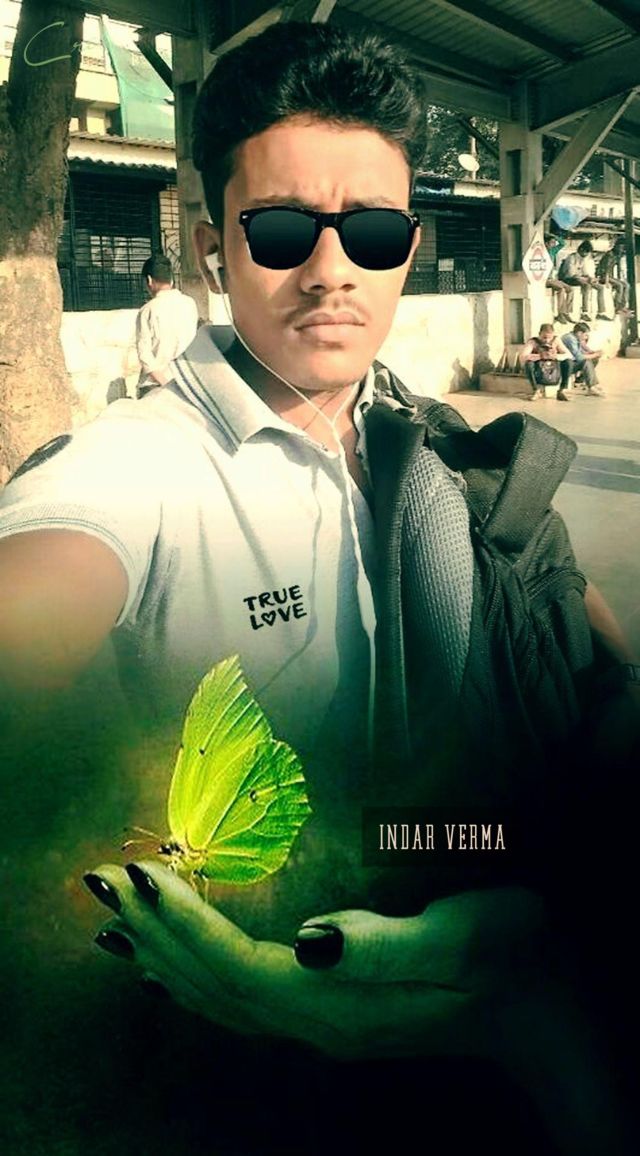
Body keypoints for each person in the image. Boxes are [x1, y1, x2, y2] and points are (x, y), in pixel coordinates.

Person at [0, 21, 637, 1156]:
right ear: (212, 247)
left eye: (373, 233)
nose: (332, 269)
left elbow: (604, 665)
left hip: (464, 928)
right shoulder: (136, 464)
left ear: (408, 246)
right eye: (283, 229)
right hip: (236, 1071)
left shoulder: (432, 448)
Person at [135, 253, 198, 399]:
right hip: (186, 385)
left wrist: (166, 384)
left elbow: (145, 356)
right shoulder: (190, 304)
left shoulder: (147, 310)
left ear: (149, 280)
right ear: (171, 279)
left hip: (155, 386)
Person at [521, 322, 572, 401]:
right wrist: (540, 356)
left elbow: (569, 355)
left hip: (554, 368)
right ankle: (536, 390)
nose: (547, 340)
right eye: (544, 337)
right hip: (539, 369)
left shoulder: (556, 340)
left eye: (549, 338)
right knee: (529, 364)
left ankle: (562, 390)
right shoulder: (533, 342)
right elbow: (523, 356)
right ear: (540, 334)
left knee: (568, 362)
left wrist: (556, 356)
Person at [558, 240, 598, 320]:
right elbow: (571, 274)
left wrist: (589, 277)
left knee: (588, 285)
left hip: (576, 278)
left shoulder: (582, 259)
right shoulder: (571, 257)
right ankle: (571, 312)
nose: (586, 255)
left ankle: (584, 312)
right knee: (585, 284)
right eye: (586, 252)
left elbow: (584, 271)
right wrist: (583, 278)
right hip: (566, 278)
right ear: (581, 250)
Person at [561, 322, 605, 396]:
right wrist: (595, 355)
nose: (586, 337)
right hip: (566, 366)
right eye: (585, 335)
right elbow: (579, 357)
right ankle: (591, 387)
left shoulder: (575, 338)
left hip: (572, 362)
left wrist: (593, 353)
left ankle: (584, 381)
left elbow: (580, 352)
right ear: (579, 333)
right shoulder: (570, 339)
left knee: (593, 359)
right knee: (586, 361)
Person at [596, 238, 630, 318]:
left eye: (623, 247)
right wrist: (607, 281)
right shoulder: (610, 255)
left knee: (626, 285)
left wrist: (619, 278)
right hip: (603, 276)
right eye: (620, 247)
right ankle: (617, 307)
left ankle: (623, 306)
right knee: (620, 286)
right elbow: (606, 269)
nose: (621, 249)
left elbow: (618, 267)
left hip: (610, 276)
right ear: (616, 246)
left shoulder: (617, 255)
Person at [544, 234, 574, 322]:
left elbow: (562, 243)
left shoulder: (552, 251)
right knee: (561, 289)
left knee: (570, 289)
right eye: (552, 242)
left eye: (554, 242)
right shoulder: (541, 251)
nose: (553, 244)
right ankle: (560, 313)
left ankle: (566, 312)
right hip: (544, 279)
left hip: (551, 278)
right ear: (546, 243)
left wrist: (553, 235)